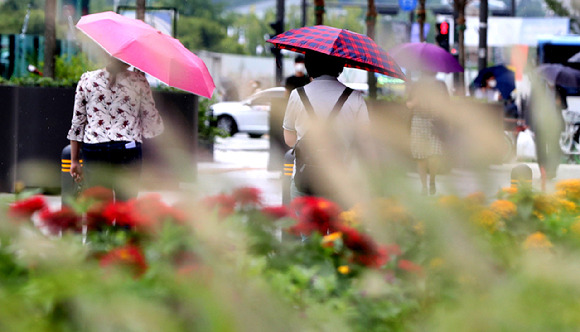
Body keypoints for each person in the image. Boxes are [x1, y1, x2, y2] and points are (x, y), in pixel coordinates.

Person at [67, 56, 164, 201]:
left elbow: (78, 123)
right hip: (128, 149)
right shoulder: (138, 81)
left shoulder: (87, 80)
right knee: (125, 208)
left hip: (95, 149)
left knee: (97, 210)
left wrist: (74, 160)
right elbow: (152, 124)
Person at [283, 51, 369, 202]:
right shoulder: (355, 97)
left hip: (305, 180)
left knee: (304, 225)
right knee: (340, 225)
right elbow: (364, 142)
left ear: (309, 65)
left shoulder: (298, 94)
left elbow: (289, 140)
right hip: (343, 182)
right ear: (339, 65)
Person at [406, 72, 450, 195]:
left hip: (435, 123)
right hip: (418, 121)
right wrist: (416, 101)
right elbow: (408, 104)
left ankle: (432, 180)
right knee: (420, 156)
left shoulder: (441, 85)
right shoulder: (417, 85)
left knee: (434, 154)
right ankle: (424, 186)